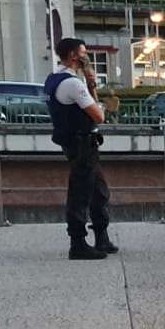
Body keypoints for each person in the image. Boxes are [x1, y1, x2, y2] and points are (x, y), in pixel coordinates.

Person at [46, 37, 113, 260]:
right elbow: (99, 115)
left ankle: (100, 237)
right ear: (74, 55)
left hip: (77, 142)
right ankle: (78, 243)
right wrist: (92, 90)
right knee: (81, 193)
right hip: (81, 143)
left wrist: (91, 82)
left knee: (98, 191)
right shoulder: (72, 83)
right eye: (83, 52)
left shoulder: (54, 79)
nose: (86, 56)